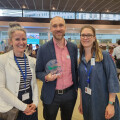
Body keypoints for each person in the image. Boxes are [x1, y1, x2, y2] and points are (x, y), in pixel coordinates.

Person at [36, 16, 78, 120]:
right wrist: (46, 77)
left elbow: (75, 70)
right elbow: (38, 71)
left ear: (65, 27)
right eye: (55, 26)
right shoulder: (43, 49)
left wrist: (76, 90)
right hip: (51, 94)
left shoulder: (73, 47)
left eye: (61, 25)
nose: (58, 28)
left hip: (70, 94)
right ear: (50, 28)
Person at [78, 25, 120, 120]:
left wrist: (111, 104)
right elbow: (81, 84)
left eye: (89, 35)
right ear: (80, 37)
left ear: (94, 37)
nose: (85, 37)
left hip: (104, 101)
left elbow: (112, 80)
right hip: (88, 102)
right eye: (83, 35)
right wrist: (81, 102)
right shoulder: (81, 59)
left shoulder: (103, 56)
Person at [0, 23, 39, 120]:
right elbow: (1, 89)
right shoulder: (3, 60)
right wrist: (23, 107)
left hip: (30, 103)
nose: (21, 42)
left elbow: (34, 85)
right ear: (10, 41)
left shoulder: (32, 61)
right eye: (17, 39)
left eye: (23, 39)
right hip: (11, 105)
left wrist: (35, 102)